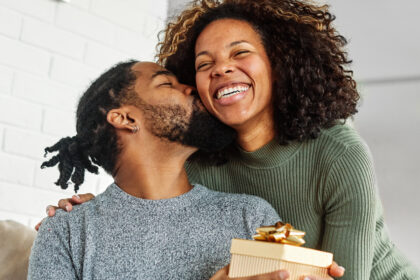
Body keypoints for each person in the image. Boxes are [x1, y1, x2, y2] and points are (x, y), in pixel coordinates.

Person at [41, 0, 420, 279]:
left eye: (240, 53)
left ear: (279, 64)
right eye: (203, 64)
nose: (221, 67)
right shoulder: (197, 160)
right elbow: (144, 187)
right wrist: (88, 212)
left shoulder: (337, 152)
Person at [29, 60, 342, 280]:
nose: (190, 88)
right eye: (166, 82)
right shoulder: (67, 232)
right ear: (125, 118)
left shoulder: (252, 218)